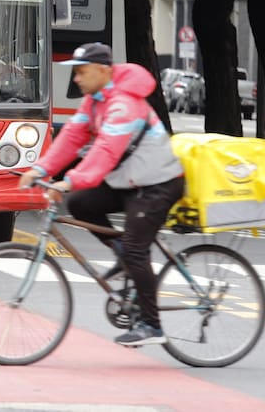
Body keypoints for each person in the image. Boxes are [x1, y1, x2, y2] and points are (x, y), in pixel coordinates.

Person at [18, 42, 184, 347]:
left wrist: (69, 180)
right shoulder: (94, 101)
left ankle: (152, 325)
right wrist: (40, 170)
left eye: (82, 72)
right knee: (82, 204)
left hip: (157, 184)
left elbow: (106, 151)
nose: (76, 79)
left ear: (103, 71)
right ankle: (122, 253)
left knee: (137, 249)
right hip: (128, 181)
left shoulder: (123, 104)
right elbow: (70, 138)